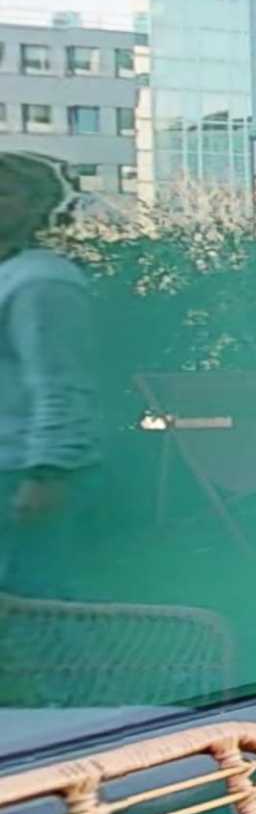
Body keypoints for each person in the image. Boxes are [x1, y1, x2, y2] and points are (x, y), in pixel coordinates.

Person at [0, 152, 96, 596]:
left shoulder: (41, 281)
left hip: (18, 474)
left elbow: (59, 386)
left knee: (38, 611)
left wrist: (47, 475)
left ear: (38, 204)